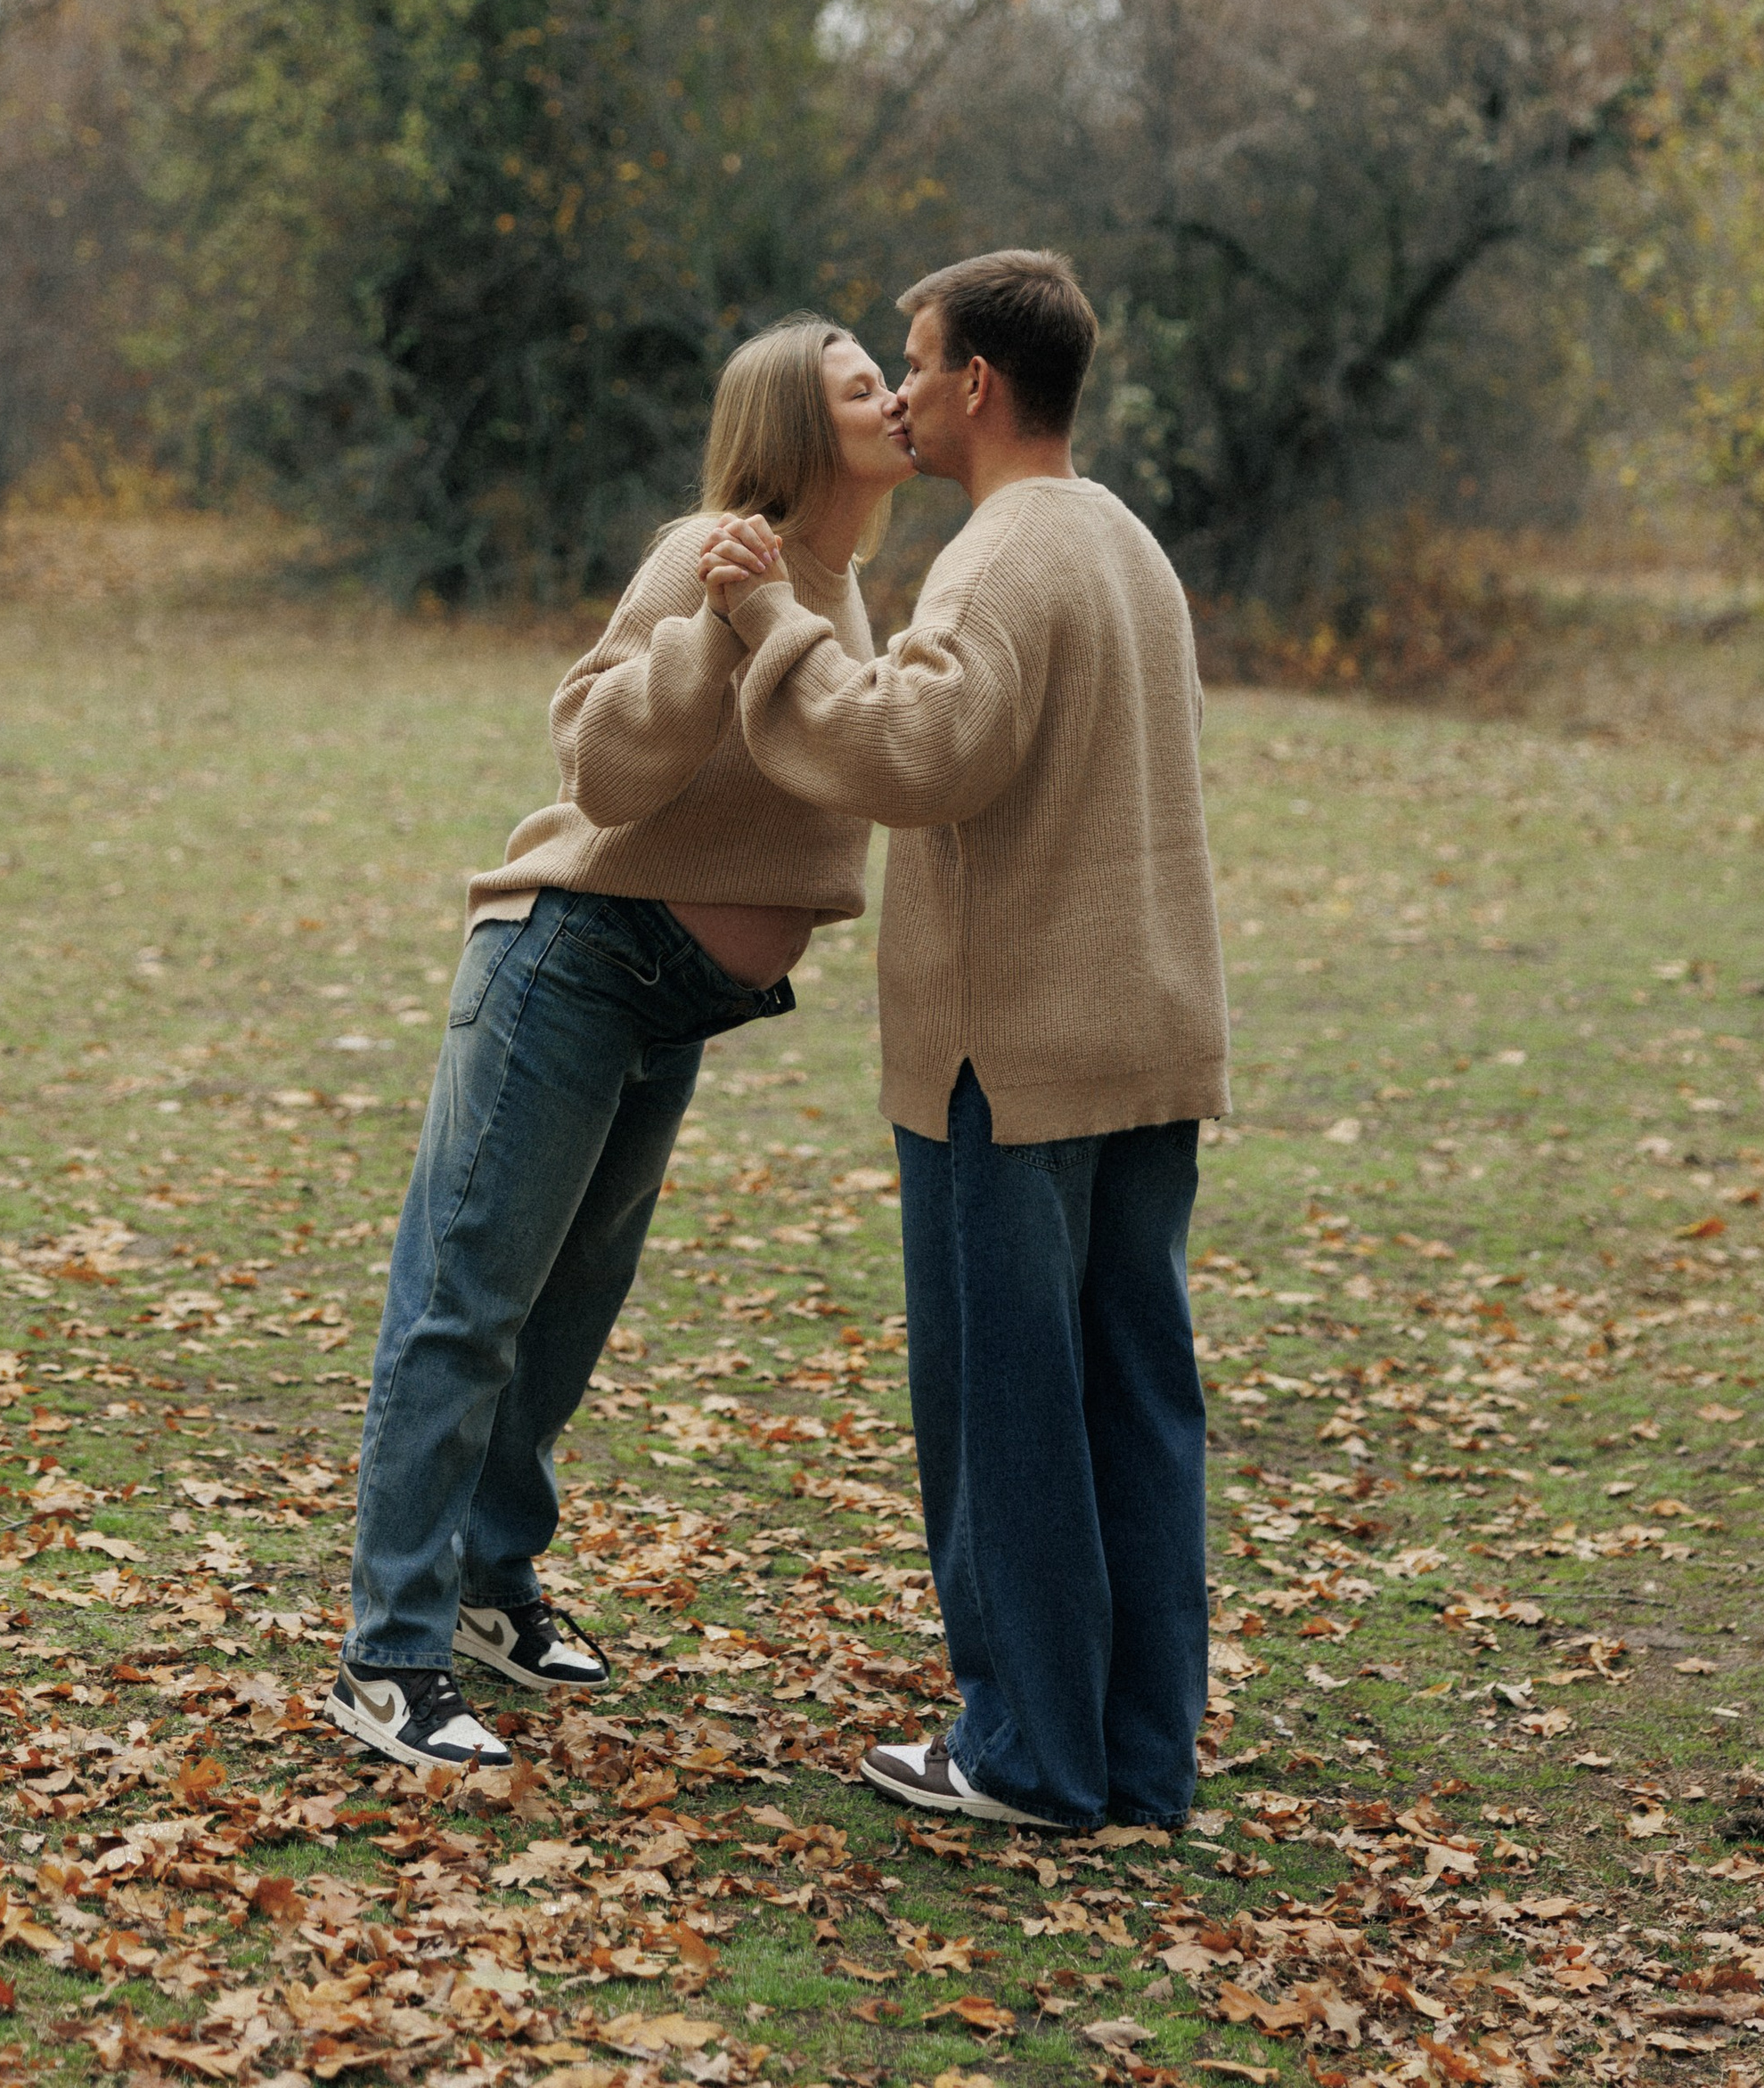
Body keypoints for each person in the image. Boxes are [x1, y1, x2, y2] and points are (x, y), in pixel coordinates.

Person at [326, 315, 914, 1779]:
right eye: (863, 385)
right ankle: (387, 1657)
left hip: (673, 1002)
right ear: (796, 427)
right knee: (468, 1300)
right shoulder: (713, 550)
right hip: (575, 957)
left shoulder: (849, 592)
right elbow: (596, 758)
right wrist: (712, 629)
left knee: (567, 1317)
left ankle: (486, 1585)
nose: (898, 398)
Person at [699, 249, 1229, 1834]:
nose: (904, 394)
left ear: (980, 385)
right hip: (1144, 1044)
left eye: (917, 367)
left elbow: (909, 749)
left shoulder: (998, 560)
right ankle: (1137, 1757)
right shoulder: (1129, 546)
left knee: (1008, 1410)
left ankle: (1027, 1754)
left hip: (1010, 1060)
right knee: (1134, 1399)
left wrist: (773, 627)